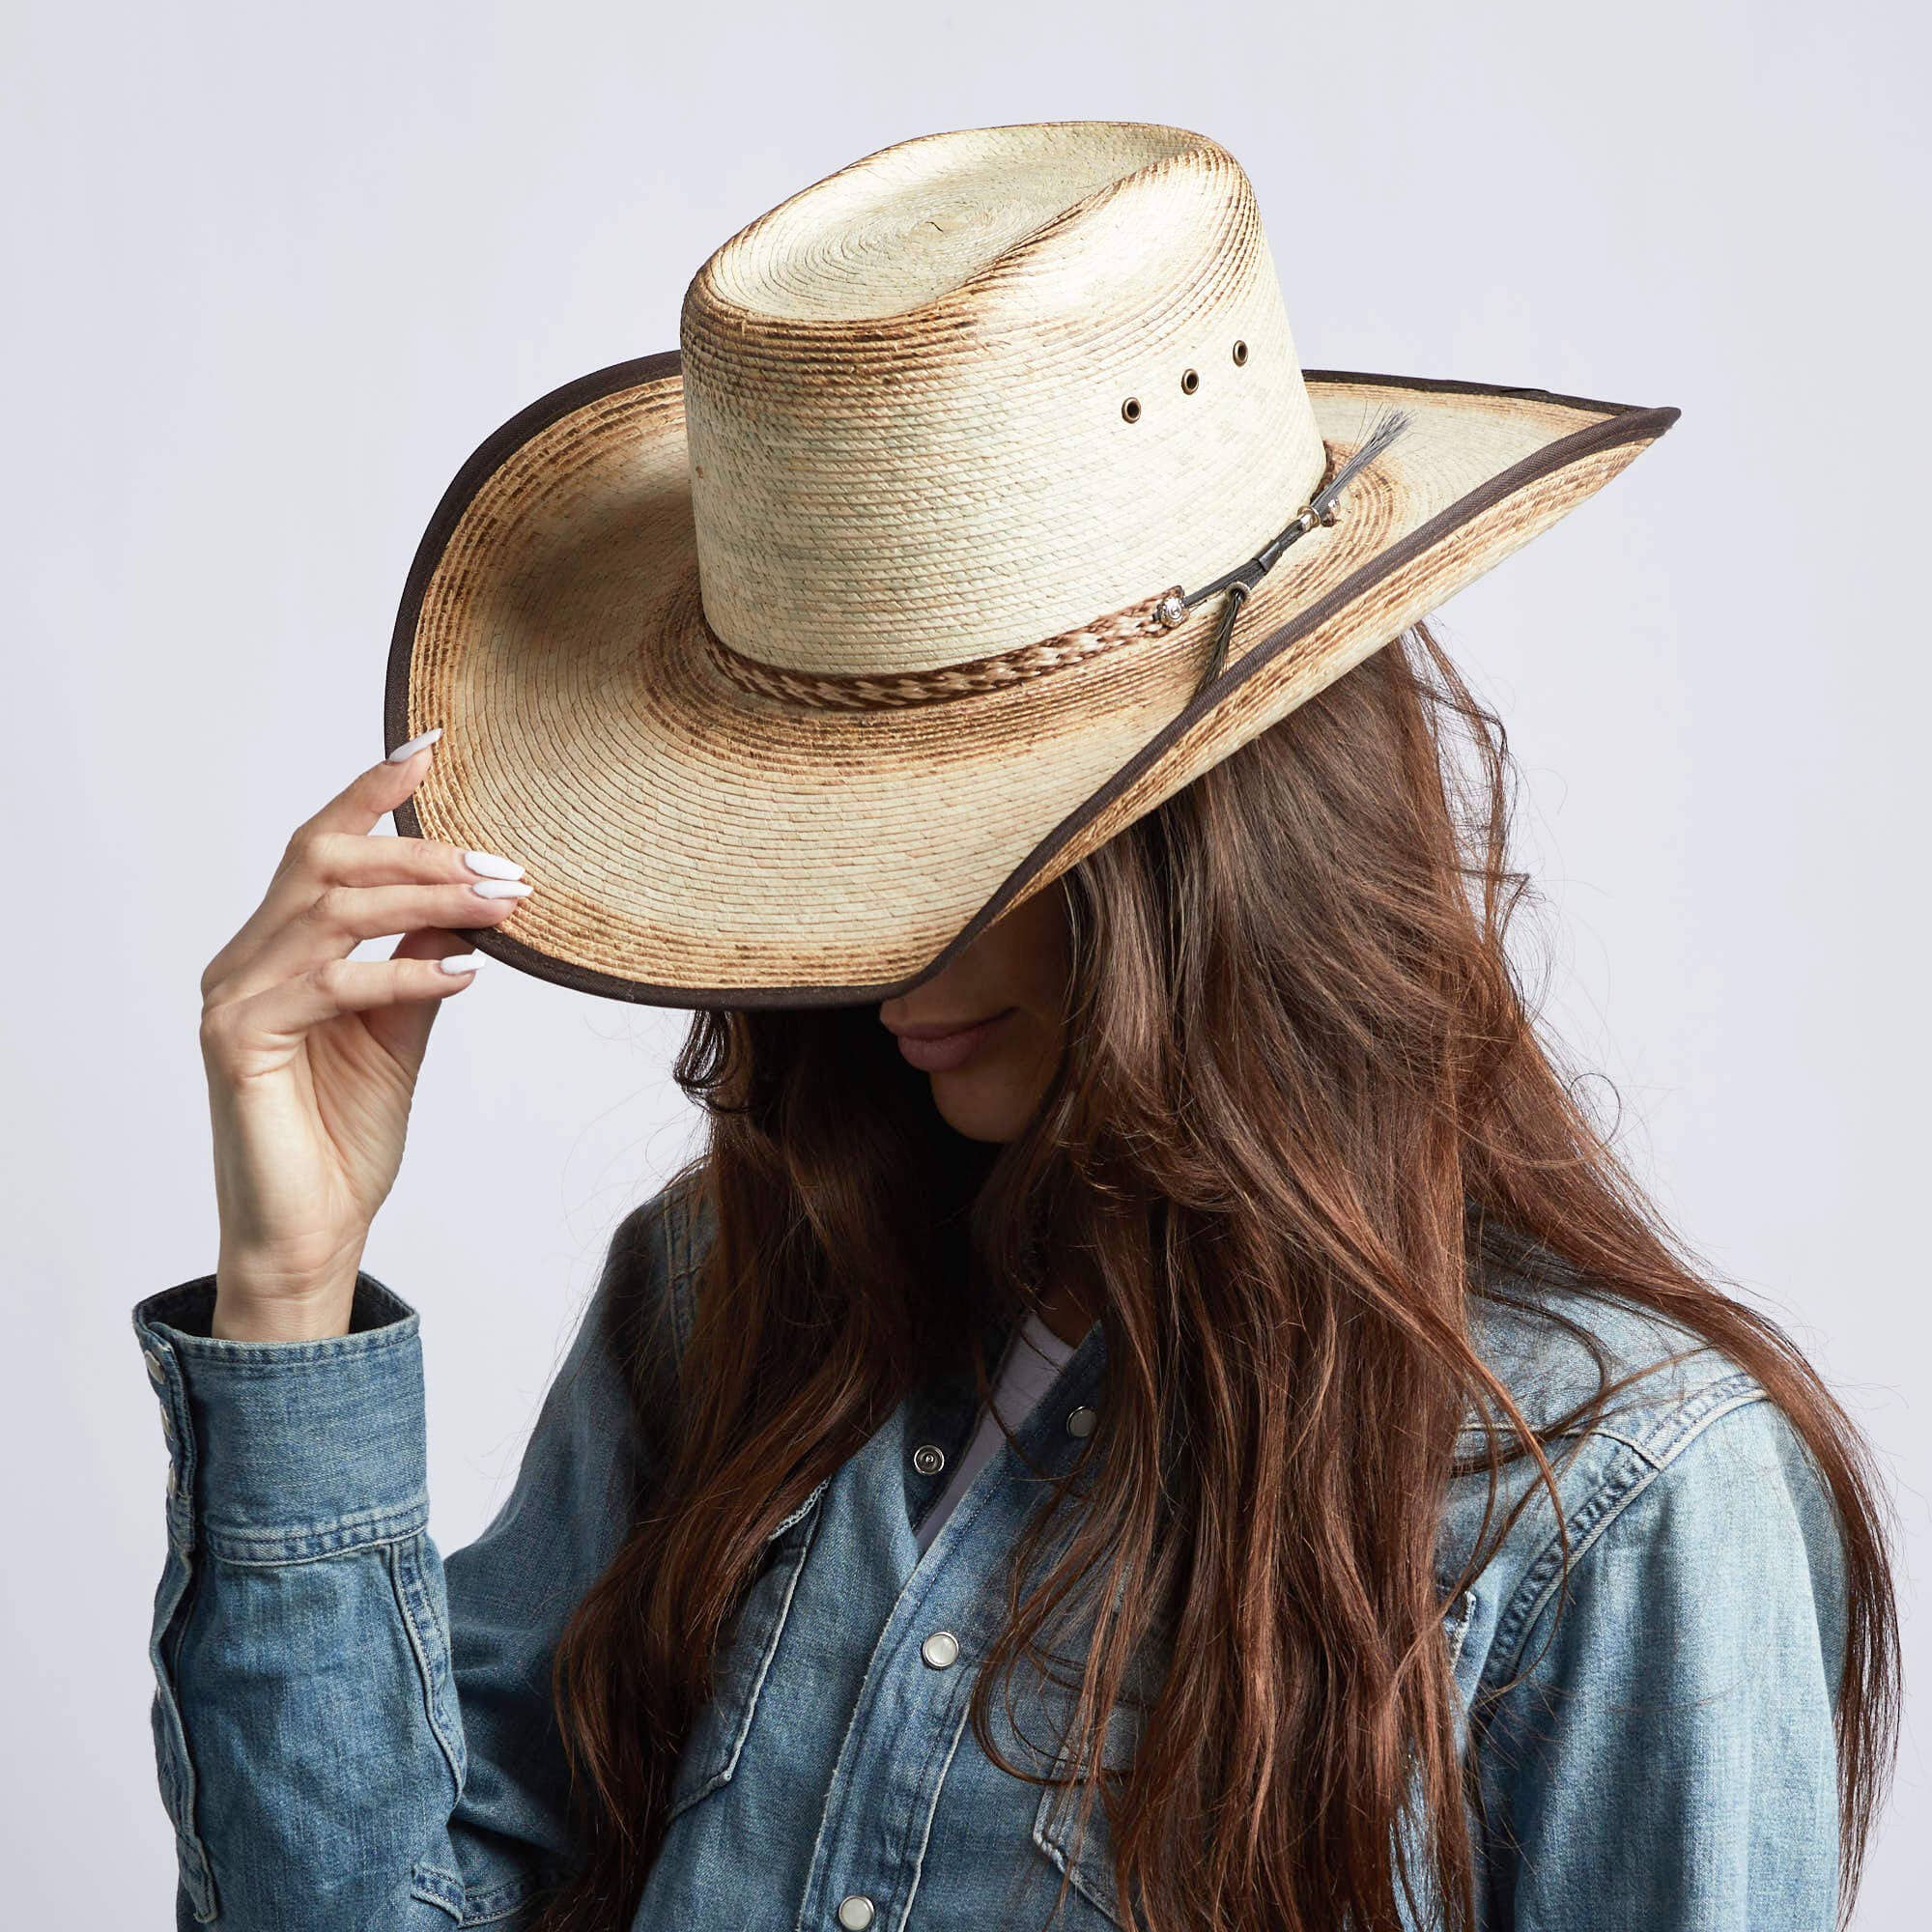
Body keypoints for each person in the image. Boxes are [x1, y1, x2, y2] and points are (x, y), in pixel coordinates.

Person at [134, 123, 1900, 1932]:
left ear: (1228, 838)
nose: (880, 959)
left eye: (984, 851)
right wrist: (294, 1286)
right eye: (824, 835)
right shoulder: (730, 1301)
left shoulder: (1623, 1506)